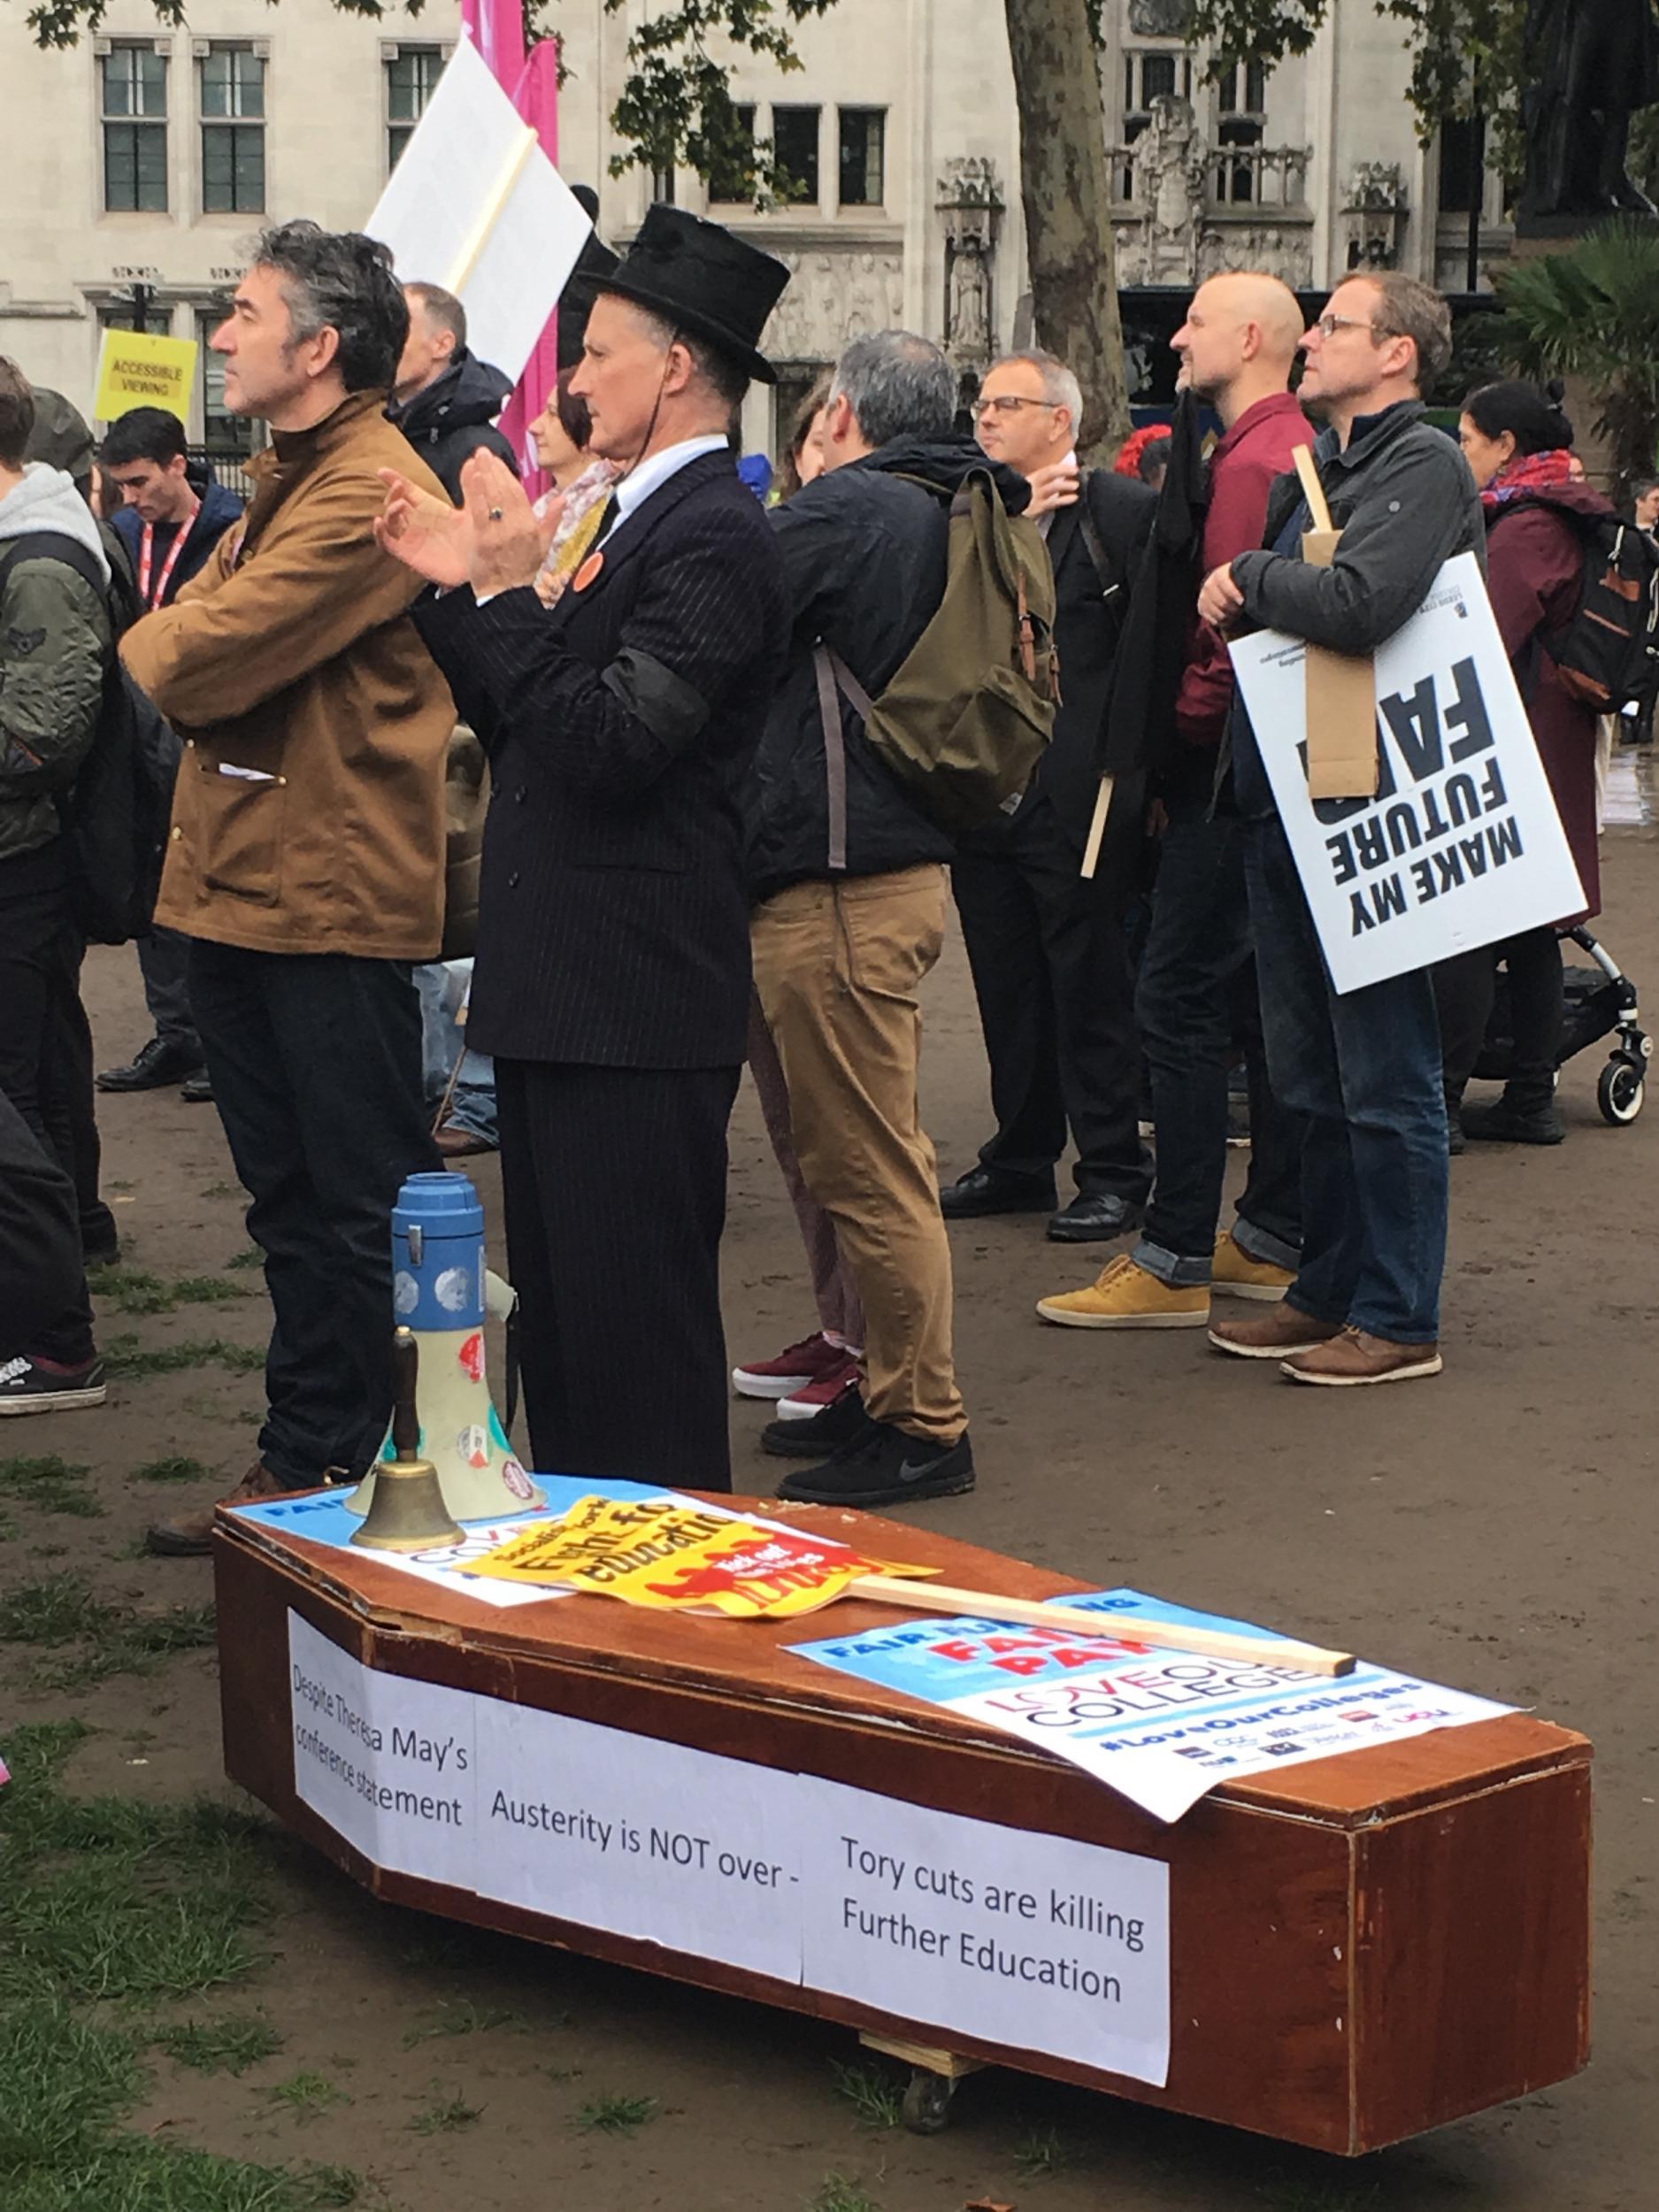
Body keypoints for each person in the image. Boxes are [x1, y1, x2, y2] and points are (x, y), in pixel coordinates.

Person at [380, 204, 791, 1495]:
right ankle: (588, 1608)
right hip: (572, 995)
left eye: (598, 351)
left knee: (636, 1355)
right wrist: (457, 586)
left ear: (674, 367)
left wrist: (504, 594)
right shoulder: (623, 517)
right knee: (561, 1342)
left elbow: (611, 744)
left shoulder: (713, 531)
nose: (573, 379)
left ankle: (662, 1636)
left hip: (633, 1002)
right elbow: (527, 722)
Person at [120, 223, 456, 1551]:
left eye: (246, 313)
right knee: (291, 1204)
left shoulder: (371, 483)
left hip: (326, 896)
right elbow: (188, 637)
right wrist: (179, 632)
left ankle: (393, 1474)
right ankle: (314, 1461)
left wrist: (175, 635)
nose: (220, 333)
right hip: (244, 888)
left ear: (318, 348)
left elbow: (187, 660)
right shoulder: (287, 475)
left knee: (356, 1200)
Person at [747, 330, 1032, 1507]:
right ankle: (889, 1394)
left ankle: (922, 1421)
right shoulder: (963, 501)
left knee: (866, 1168)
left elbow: (722, 608)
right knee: (863, 1157)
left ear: (844, 414)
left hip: (838, 877)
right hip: (887, 864)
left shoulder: (849, 510)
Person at [1197, 271, 1484, 1386]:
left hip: (1373, 812)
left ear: (1400, 353)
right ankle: (1330, 1289)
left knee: (1386, 1074)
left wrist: (1250, 575)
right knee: (1308, 1073)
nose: (1312, 343)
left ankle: (1400, 1316)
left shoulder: (1421, 463)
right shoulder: (1324, 465)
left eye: (1336, 328)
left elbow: (1364, 602)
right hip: (1289, 805)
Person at [1038, 272, 1311, 1333]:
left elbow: (1225, 632)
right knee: (1252, 1003)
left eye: (1195, 321)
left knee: (1177, 997)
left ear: (1247, 337)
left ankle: (1176, 1246)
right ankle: (1267, 1232)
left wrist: (1179, 744)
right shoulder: (1264, 448)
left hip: (1222, 773)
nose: (1178, 336)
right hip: (1251, 766)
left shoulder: (1248, 458)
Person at [941, 348, 1156, 1242]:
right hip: (981, 787)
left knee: (1088, 984)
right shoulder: (964, 509)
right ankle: (1021, 1152)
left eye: (1006, 404)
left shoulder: (1118, 512)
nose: (985, 418)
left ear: (1059, 421)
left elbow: (1154, 644)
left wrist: (1141, 773)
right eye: (980, 404)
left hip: (1081, 791)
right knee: (1005, 983)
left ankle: (1111, 1166)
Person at [733, 366, 866, 1423]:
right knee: (799, 1129)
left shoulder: (866, 525)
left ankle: (879, 1361)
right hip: (777, 854)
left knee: (848, 1138)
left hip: (830, 865)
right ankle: (841, 1329)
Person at [1436, 380, 1613, 1147]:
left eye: (1469, 440)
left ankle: (1443, 1100)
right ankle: (1529, 1095)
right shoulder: (1563, 511)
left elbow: (1481, 624)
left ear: (1506, 446)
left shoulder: (1527, 525)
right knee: (1531, 927)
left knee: (1477, 923)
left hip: (1520, 737)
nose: (1462, 455)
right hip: (1553, 738)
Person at [0, 355, 111, 1411]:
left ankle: (54, 1337)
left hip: (20, 869)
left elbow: (39, 737)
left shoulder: (37, 558)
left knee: (16, 1103)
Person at [94, 405, 243, 1101]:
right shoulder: (122, 533)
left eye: (140, 482)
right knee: (154, 872)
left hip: (203, 720)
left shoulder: (232, 527)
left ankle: (221, 1039)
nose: (131, 499)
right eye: (120, 486)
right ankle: (176, 1030)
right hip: (139, 723)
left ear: (179, 466)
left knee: (210, 874)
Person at [388, 282, 516, 502]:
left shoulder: (480, 453)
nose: (386, 344)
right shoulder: (375, 420)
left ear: (442, 345)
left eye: (400, 331)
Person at [527, 368, 619, 605]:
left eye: (552, 414)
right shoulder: (545, 506)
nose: (534, 427)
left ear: (586, 423)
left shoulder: (609, 508)